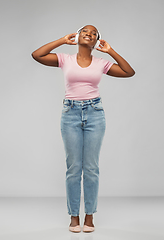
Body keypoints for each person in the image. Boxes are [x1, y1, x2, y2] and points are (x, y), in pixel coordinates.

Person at [31, 25, 135, 233]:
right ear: (78, 36)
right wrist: (62, 40)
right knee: (73, 169)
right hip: (70, 114)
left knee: (91, 168)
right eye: (85, 31)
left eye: (94, 33)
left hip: (95, 113)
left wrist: (111, 51)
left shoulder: (101, 63)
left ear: (97, 40)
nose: (90, 34)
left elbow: (128, 72)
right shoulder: (65, 59)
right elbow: (37, 55)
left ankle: (89, 216)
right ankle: (73, 217)